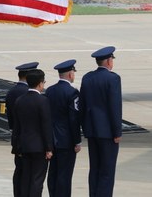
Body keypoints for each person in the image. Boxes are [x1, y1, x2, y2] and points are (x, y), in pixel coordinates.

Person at [79, 46, 122, 197]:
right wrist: (117, 131)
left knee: (95, 168)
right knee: (107, 170)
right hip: (108, 132)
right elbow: (114, 107)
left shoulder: (87, 77)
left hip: (91, 130)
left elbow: (82, 105)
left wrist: (85, 127)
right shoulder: (113, 78)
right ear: (109, 61)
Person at [13, 69, 53, 197]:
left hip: (24, 146)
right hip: (39, 147)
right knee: (37, 180)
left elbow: (17, 126)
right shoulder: (43, 101)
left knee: (25, 179)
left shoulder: (19, 100)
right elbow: (46, 126)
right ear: (40, 84)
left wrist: (16, 146)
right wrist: (49, 148)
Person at [45, 60, 82, 197]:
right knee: (64, 175)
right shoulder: (72, 93)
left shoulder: (49, 90)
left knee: (53, 173)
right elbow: (74, 119)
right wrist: (77, 141)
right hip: (66, 141)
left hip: (51, 139)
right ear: (70, 74)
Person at [5, 61, 38, 197]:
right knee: (29, 173)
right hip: (30, 137)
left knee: (19, 170)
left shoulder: (11, 91)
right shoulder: (28, 93)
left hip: (16, 136)